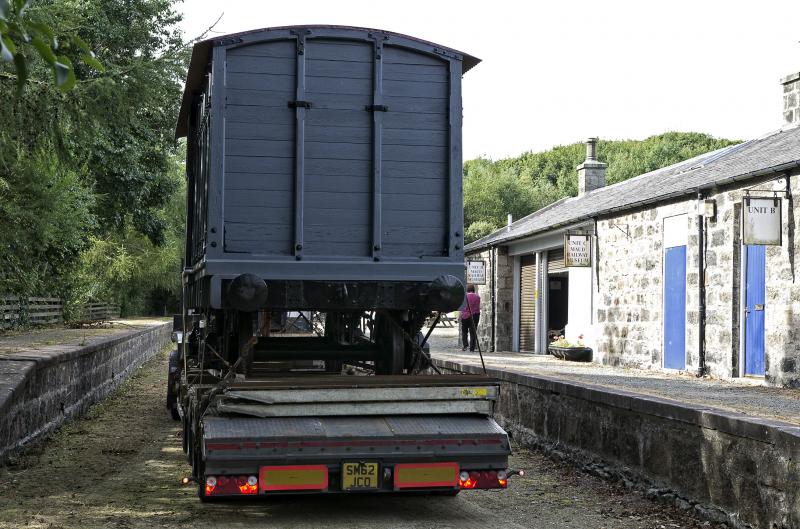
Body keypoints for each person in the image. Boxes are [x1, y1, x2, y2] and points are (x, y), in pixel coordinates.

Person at [460, 284, 481, 352]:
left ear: (467, 289)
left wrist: (460, 314)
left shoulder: (464, 297)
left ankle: (465, 345)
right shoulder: (477, 297)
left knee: (464, 331)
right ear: (473, 289)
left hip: (465, 315)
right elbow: (477, 307)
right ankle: (472, 348)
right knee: (473, 332)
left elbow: (462, 307)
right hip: (475, 315)